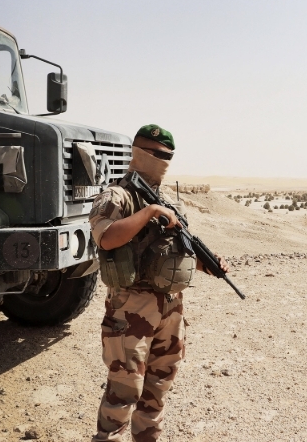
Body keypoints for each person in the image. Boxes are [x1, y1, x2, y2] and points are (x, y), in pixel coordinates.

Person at [89, 124, 228, 442]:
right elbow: (106, 237)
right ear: (139, 152)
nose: (163, 161)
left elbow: (180, 248)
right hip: (131, 308)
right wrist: (150, 211)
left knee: (157, 390)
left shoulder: (168, 201)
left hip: (170, 309)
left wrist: (210, 265)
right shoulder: (117, 196)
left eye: (168, 156)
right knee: (124, 392)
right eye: (156, 154)